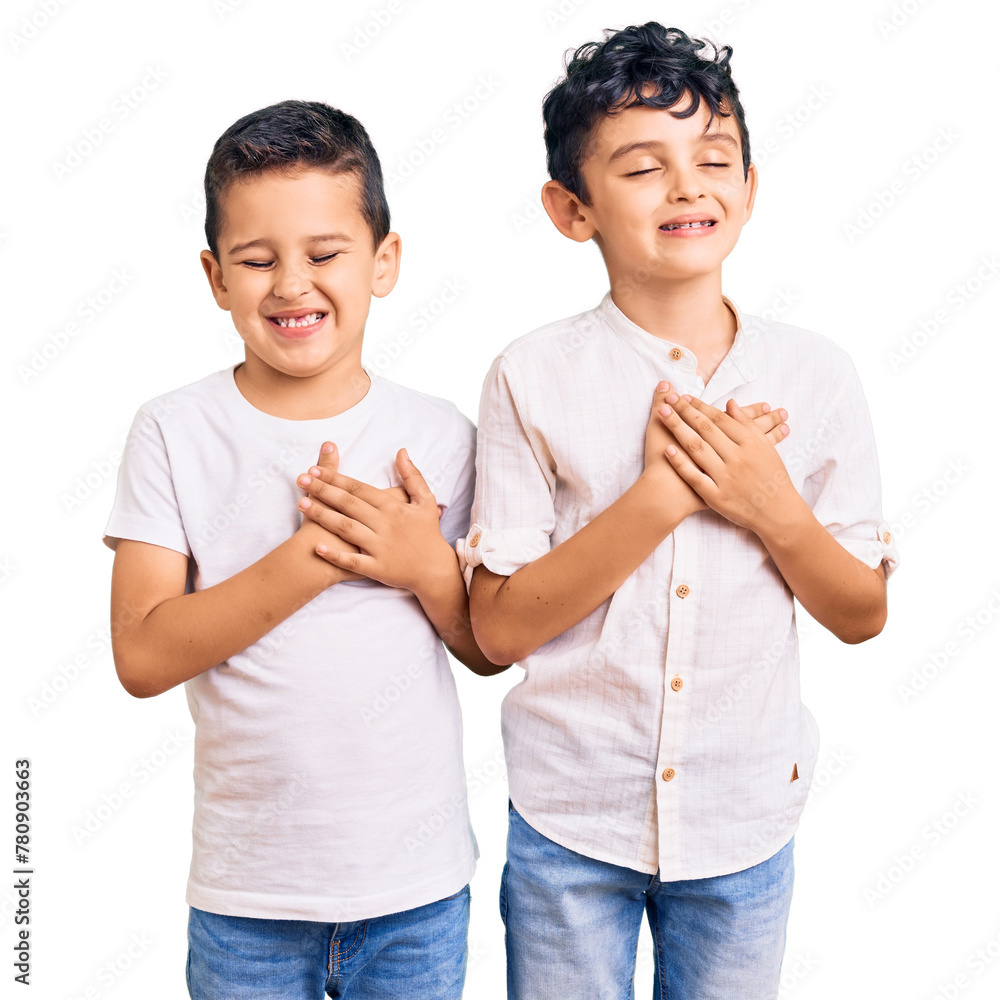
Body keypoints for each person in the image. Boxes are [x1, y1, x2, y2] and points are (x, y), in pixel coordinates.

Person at [459, 23, 899, 1000]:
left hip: (746, 815)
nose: (689, 186)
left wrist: (769, 505)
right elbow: (494, 630)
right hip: (572, 811)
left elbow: (860, 612)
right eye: (643, 168)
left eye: (712, 159)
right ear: (571, 210)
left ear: (747, 187)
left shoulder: (814, 375)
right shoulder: (531, 377)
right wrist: (660, 496)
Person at [103, 99, 504, 1000]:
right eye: (256, 260)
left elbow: (487, 646)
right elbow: (141, 653)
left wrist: (422, 565)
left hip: (417, 891)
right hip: (249, 899)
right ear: (215, 275)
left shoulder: (439, 436)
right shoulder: (175, 431)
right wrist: (306, 560)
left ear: (384, 261)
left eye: (325, 255)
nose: (292, 284)